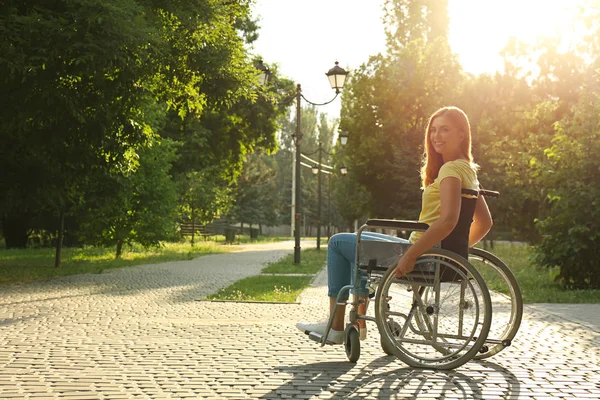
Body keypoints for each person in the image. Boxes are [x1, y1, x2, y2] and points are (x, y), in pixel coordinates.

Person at [296, 106, 494, 344]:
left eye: (445, 130)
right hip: (430, 252)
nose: (436, 136)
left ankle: (337, 324)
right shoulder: (468, 170)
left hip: (421, 253)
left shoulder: (450, 170)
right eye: (433, 130)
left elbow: (449, 220)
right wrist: (454, 253)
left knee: (338, 243)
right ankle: (357, 323)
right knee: (359, 248)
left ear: (462, 134)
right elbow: (485, 222)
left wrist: (413, 255)